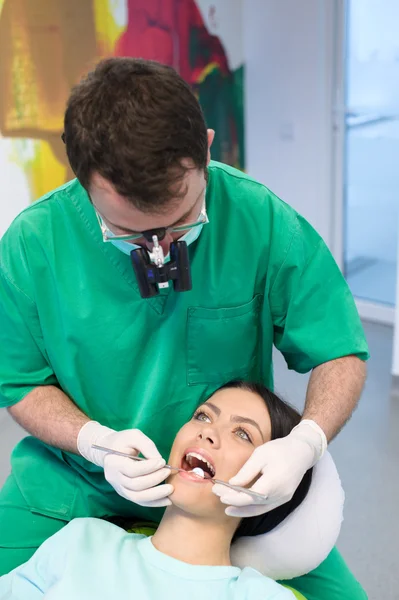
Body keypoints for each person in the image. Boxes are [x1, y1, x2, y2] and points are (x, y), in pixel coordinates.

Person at [0, 57, 368, 600]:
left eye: (181, 219)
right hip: (73, 484)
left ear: (208, 147)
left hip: (234, 497)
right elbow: (19, 382)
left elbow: (339, 350)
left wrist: (305, 445)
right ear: (82, 180)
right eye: (130, 232)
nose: (159, 251)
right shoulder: (34, 247)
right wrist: (93, 443)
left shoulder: (259, 221)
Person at [0, 382, 314, 599]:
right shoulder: (82, 540)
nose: (207, 432)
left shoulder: (260, 596)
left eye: (243, 434)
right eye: (203, 415)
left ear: (271, 485)